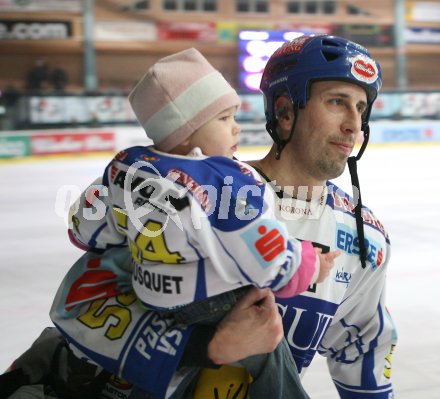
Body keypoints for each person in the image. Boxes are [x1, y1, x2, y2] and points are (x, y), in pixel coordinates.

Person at [2, 35, 397, 399]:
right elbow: (87, 300)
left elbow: (361, 344)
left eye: (361, 108)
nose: (354, 124)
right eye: (337, 102)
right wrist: (206, 349)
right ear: (285, 111)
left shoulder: (365, 240)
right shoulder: (194, 195)